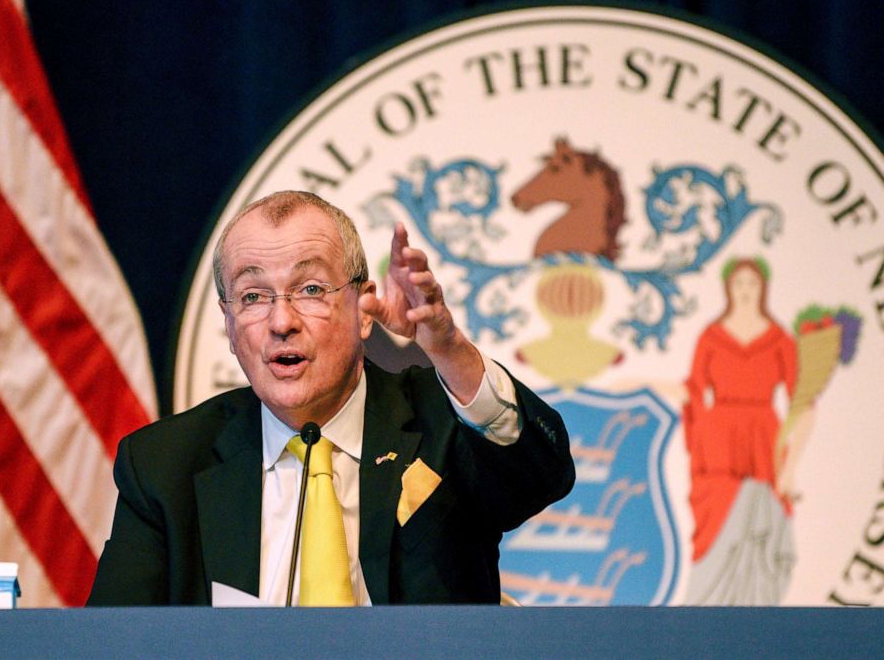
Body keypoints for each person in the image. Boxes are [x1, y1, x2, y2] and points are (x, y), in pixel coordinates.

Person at [87, 190, 574, 606]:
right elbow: (110, 646)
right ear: (230, 324)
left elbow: (543, 472)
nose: (282, 322)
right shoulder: (164, 464)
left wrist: (449, 349)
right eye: (254, 296)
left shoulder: (441, 422)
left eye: (311, 288)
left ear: (363, 310)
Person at [683, 257, 797, 605]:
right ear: (728, 289)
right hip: (720, 441)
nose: (746, 291)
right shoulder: (712, 336)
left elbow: (799, 399)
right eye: (739, 284)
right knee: (723, 515)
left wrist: (789, 465)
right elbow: (694, 389)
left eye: (752, 284)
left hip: (764, 437)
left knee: (762, 518)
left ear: (763, 288)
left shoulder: (778, 339)